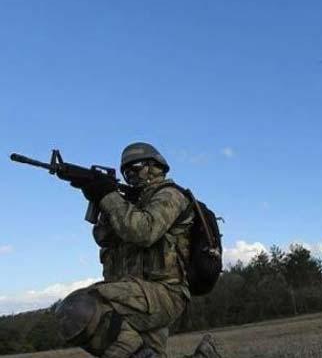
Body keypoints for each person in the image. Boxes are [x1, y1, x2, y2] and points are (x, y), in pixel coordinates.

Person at [54, 142, 220, 358]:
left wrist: (109, 196)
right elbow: (103, 238)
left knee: (77, 309)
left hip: (164, 292)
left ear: (155, 166)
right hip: (136, 292)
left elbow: (143, 231)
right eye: (126, 172)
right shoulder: (131, 204)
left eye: (136, 167)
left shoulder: (170, 195)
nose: (130, 175)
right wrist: (101, 198)